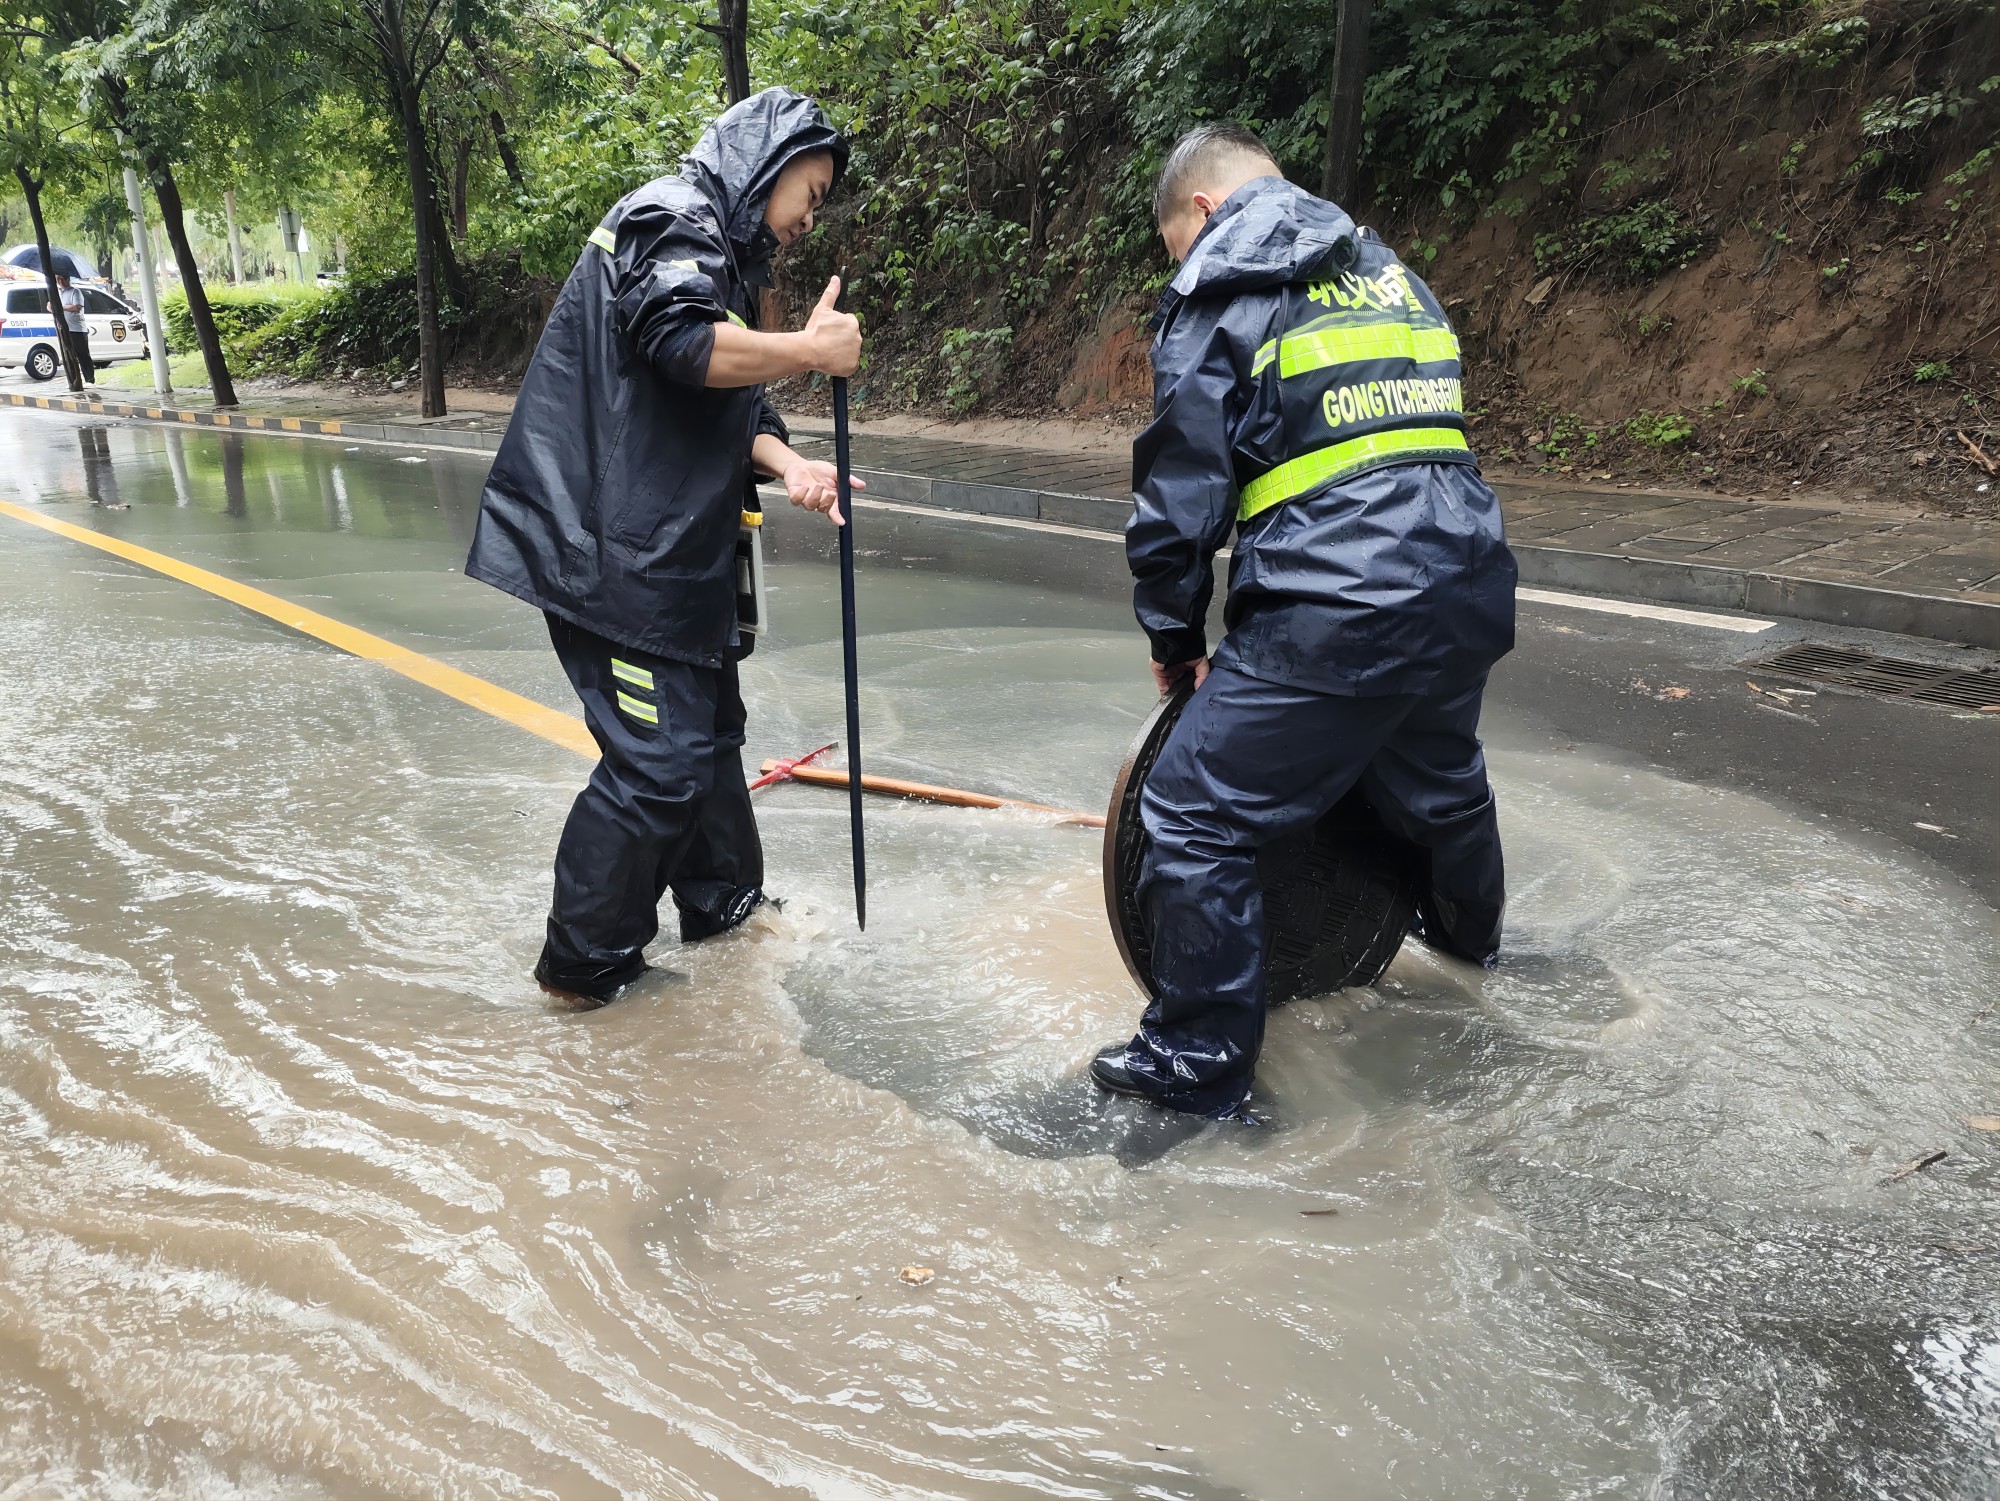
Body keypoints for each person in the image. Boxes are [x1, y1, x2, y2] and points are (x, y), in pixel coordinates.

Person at [1091, 124, 1517, 1118]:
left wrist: (1174, 643)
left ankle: (1196, 1064)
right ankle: (1475, 962)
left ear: (1203, 210)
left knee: (1189, 813)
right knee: (1440, 791)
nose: (1183, 262)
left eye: (1178, 244)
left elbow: (1180, 500)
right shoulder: (1391, 275)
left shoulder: (1220, 284)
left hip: (1337, 603)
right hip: (1465, 578)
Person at [464, 87, 863, 1005]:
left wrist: (791, 464)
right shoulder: (669, 217)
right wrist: (808, 348)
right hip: (612, 562)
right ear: (766, 162)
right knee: (658, 767)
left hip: (674, 562)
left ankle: (726, 910)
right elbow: (682, 344)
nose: (811, 216)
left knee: (711, 743)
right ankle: (583, 969)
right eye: (810, 190)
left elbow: (728, 398)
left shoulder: (718, 255)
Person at [54, 273, 94, 385]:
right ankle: (74, 378)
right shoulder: (58, 293)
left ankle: (89, 378)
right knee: (69, 355)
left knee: (83, 355)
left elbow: (76, 307)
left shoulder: (75, 291)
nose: (60, 281)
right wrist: (51, 307)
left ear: (68, 279)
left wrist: (60, 308)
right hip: (64, 328)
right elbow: (51, 305)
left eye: (62, 278)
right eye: (58, 279)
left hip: (77, 329)